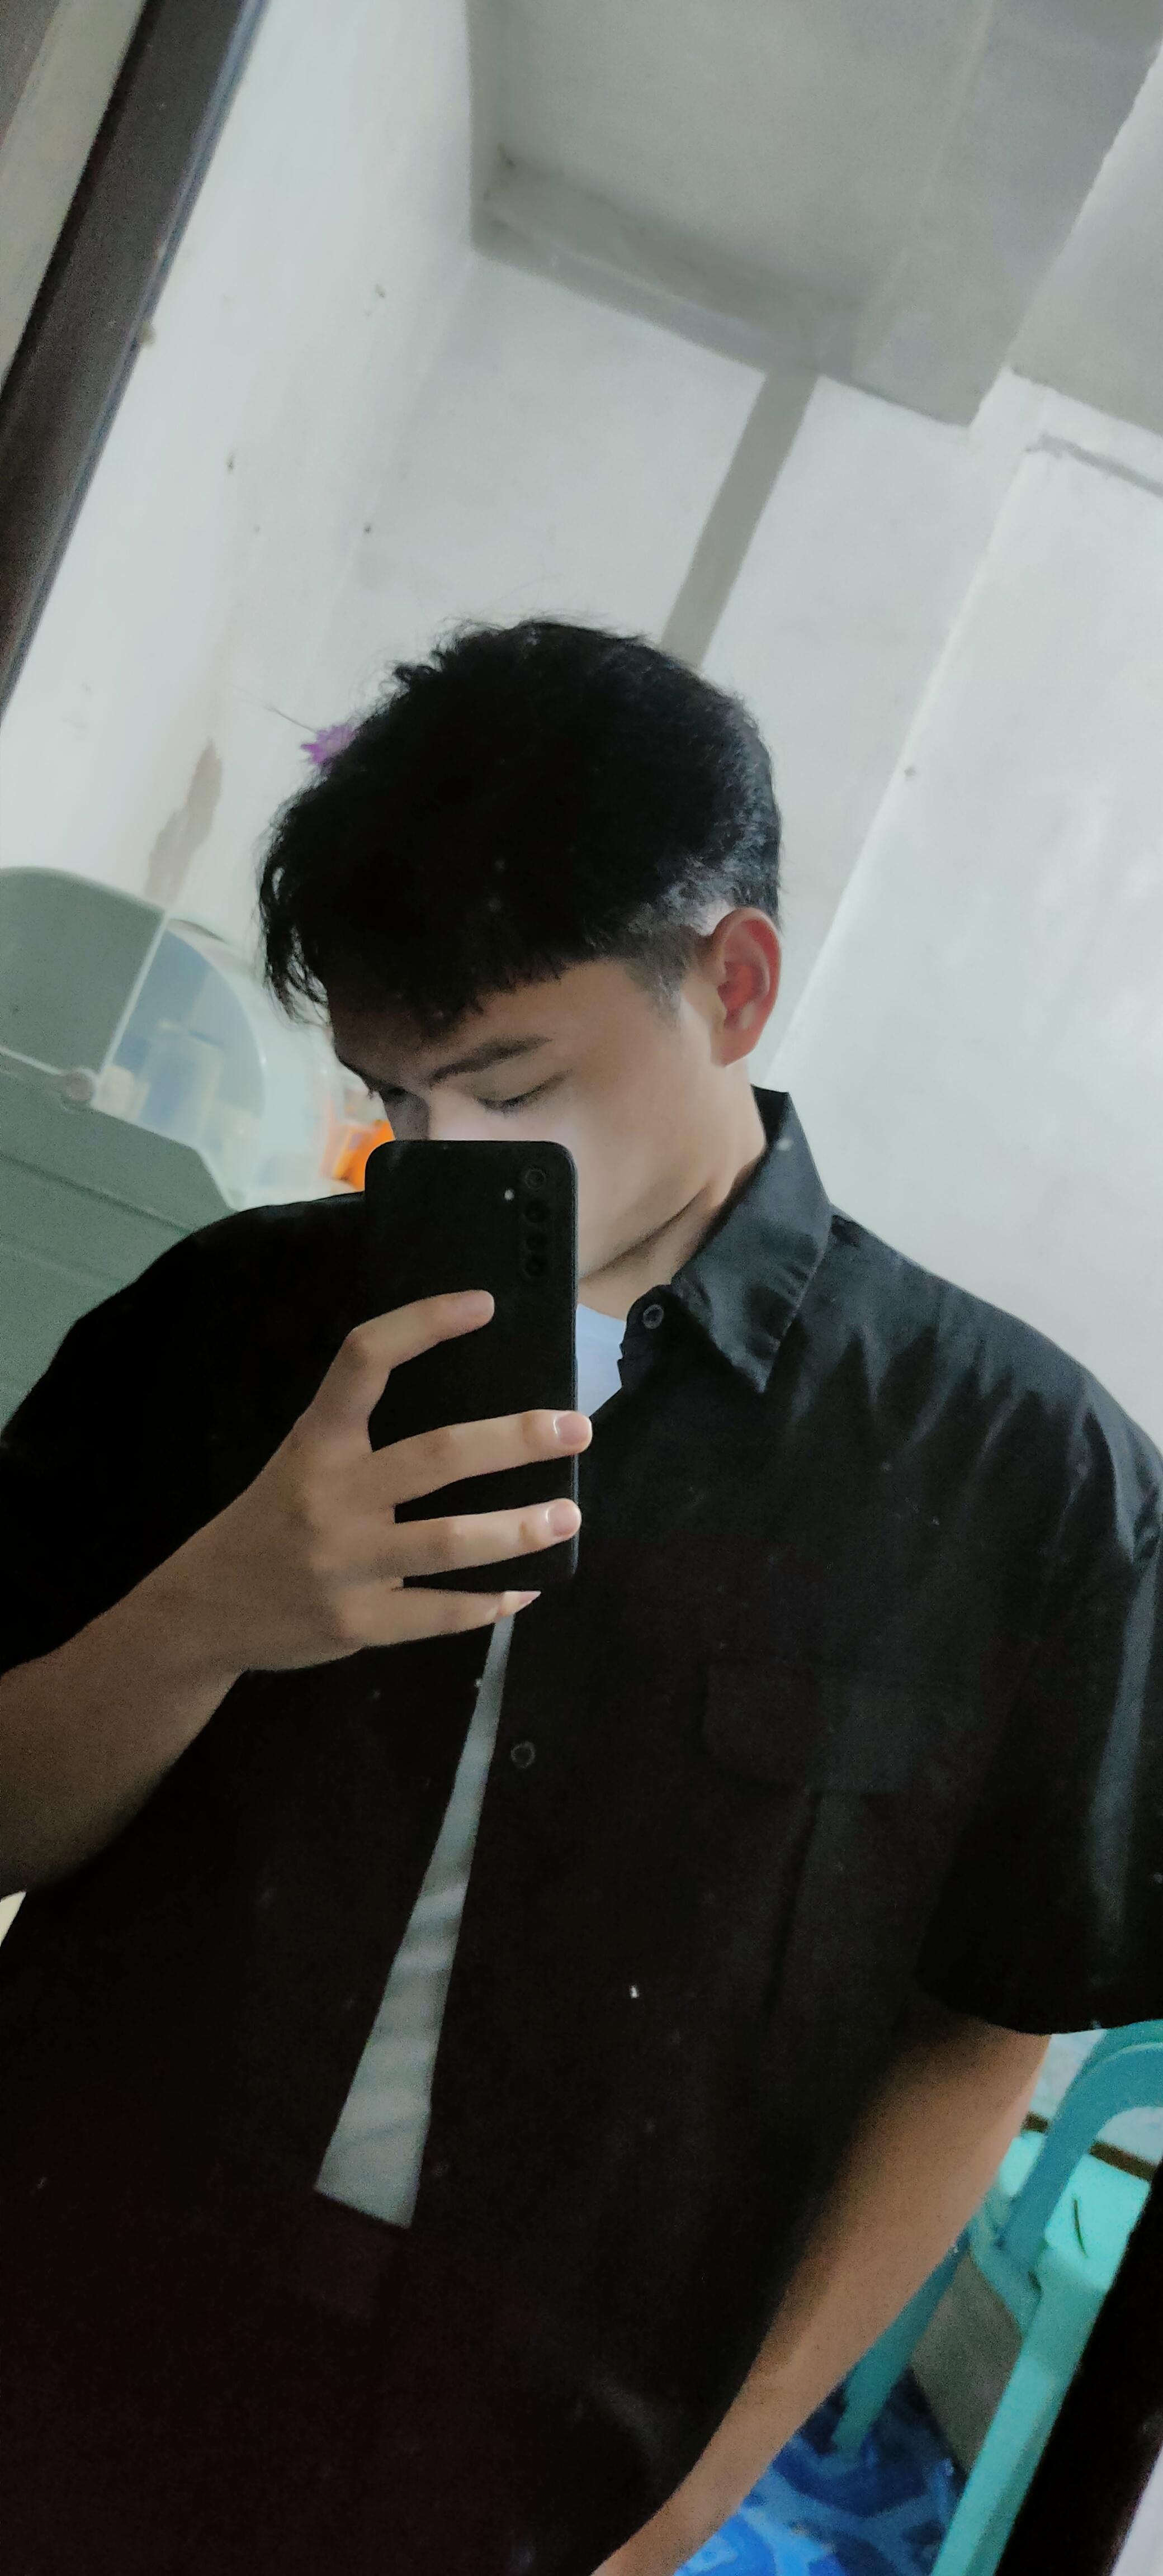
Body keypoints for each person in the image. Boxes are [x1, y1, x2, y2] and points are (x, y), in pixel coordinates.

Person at [0, 619, 1160, 2576]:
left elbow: (988, 2029)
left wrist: (711, 2482)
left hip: (540, 2459)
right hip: (61, 2317)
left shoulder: (1025, 1484)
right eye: (391, 1091)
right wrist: (217, 1608)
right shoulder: (228, 1320)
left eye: (506, 1081)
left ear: (734, 981)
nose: (434, 1151)